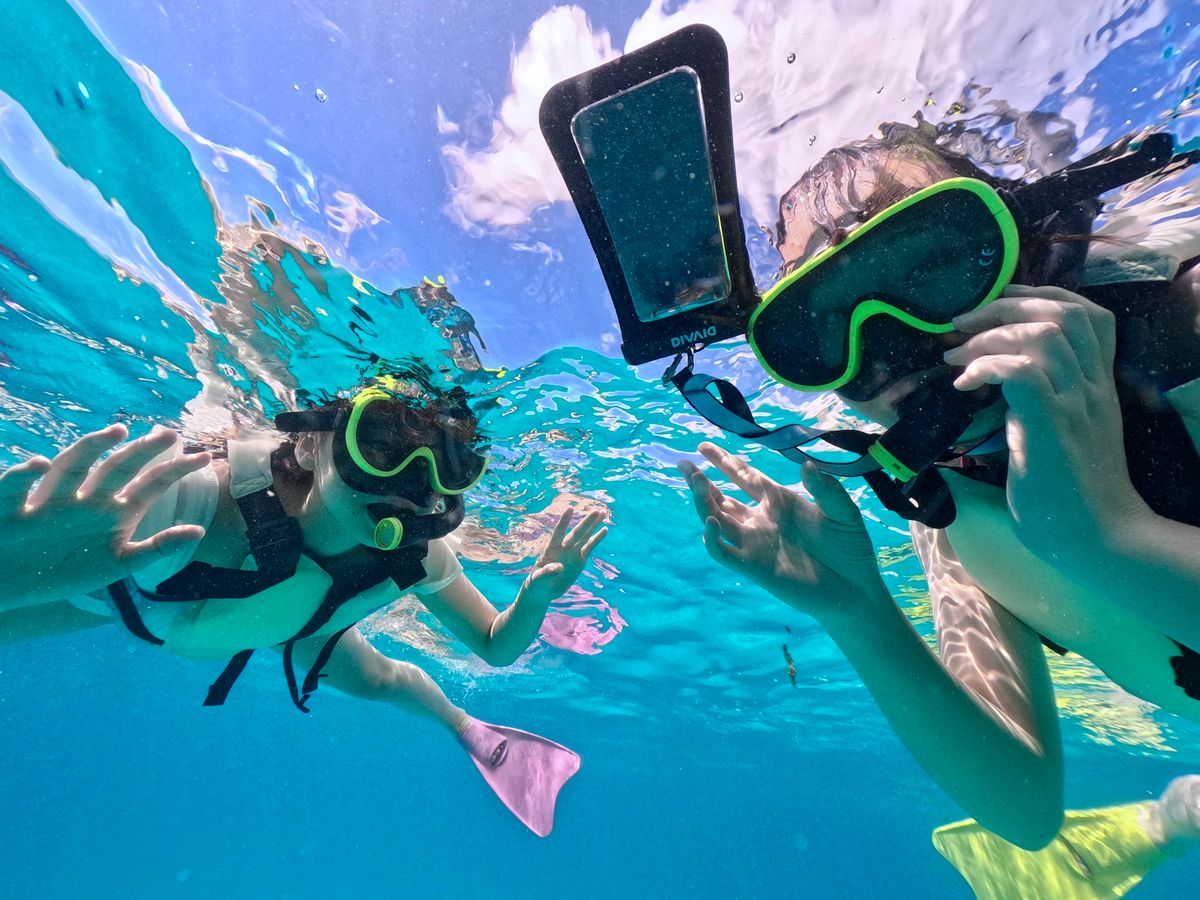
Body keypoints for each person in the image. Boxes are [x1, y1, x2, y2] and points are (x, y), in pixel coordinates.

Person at [678, 121, 1200, 889]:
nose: (891, 344)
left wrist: (1105, 535)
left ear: (1023, 246)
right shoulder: (944, 504)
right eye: (824, 323)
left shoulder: (1186, 328)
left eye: (930, 265)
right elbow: (1023, 807)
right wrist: (858, 610)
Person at [0, 372, 608, 837]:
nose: (412, 486)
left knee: (378, 679)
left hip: (296, 623)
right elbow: (67, 548)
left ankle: (472, 732)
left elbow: (496, 646)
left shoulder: (422, 558)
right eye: (381, 444)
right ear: (313, 444)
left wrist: (535, 596)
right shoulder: (194, 502)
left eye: (448, 466)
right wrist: (32, 569)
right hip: (137, 604)